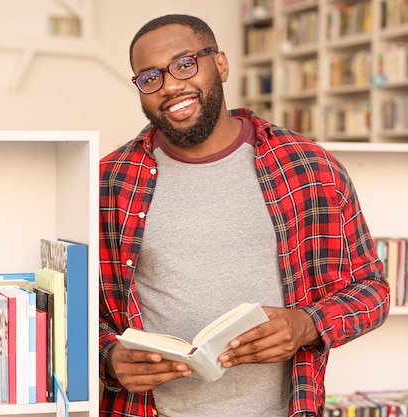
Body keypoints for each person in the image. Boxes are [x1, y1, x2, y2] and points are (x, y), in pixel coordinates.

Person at [98, 14, 390, 417]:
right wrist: (108, 358)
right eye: (150, 78)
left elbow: (372, 290)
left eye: (184, 64)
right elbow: (75, 310)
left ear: (220, 63)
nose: (170, 86)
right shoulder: (108, 182)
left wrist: (306, 324)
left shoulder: (310, 167)